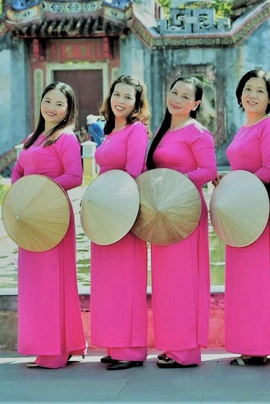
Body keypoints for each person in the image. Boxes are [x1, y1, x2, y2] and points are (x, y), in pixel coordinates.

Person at [12, 81, 86, 368]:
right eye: (48, 101)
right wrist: (23, 194)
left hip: (53, 214)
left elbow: (75, 176)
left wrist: (42, 191)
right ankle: (48, 345)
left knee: (53, 281)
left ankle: (57, 350)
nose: (52, 108)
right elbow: (18, 171)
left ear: (68, 110)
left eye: (59, 104)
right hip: (29, 217)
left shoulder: (66, 138)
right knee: (34, 284)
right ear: (40, 102)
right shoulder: (32, 138)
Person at [145, 75, 217, 368]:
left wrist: (177, 182)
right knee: (166, 282)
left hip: (186, 209)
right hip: (164, 211)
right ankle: (172, 345)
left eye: (186, 96)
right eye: (174, 92)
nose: (177, 99)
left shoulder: (197, 132)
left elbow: (209, 170)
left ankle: (186, 350)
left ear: (196, 104)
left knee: (185, 280)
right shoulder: (162, 131)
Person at [219, 69, 270, 366]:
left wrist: (240, 187)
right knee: (242, 280)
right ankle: (247, 344)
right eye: (247, 88)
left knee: (258, 280)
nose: (252, 95)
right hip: (240, 209)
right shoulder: (244, 127)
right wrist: (228, 182)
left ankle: (259, 347)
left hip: (258, 211)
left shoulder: (269, 127)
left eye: (259, 90)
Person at [91, 75, 151, 370]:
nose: (120, 101)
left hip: (123, 213)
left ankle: (132, 350)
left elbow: (134, 171)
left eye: (128, 97)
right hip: (104, 213)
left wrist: (119, 208)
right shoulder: (109, 131)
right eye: (117, 94)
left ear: (136, 103)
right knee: (108, 283)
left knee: (126, 282)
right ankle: (116, 346)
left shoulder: (136, 130)